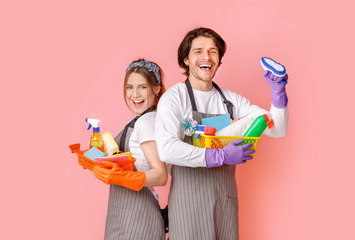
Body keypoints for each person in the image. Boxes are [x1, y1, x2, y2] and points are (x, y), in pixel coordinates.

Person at [155, 27, 289, 239]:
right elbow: (166, 150)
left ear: (219, 59)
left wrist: (278, 93)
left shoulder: (231, 100)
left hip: (224, 205)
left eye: (213, 51)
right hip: (188, 206)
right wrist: (220, 155)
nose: (206, 56)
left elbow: (278, 129)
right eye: (198, 51)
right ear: (186, 60)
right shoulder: (174, 98)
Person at [93, 59, 168, 240]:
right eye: (129, 87)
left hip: (138, 218)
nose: (135, 94)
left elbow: (161, 175)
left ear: (156, 89)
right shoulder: (136, 121)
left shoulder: (145, 123)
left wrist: (121, 177)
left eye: (142, 87)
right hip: (123, 214)